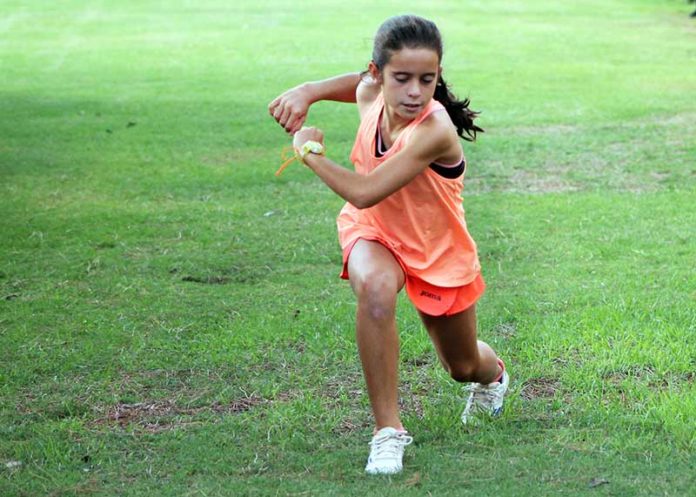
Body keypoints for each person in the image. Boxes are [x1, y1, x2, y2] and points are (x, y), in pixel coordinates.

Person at [268, 14, 509, 475]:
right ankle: (387, 432)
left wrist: (309, 151)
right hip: (374, 230)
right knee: (376, 290)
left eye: (427, 79)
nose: (415, 92)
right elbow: (355, 87)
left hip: (437, 249)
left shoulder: (434, 131)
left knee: (461, 366)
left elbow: (364, 189)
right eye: (401, 78)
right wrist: (308, 90)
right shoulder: (369, 92)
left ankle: (493, 377)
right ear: (378, 74)